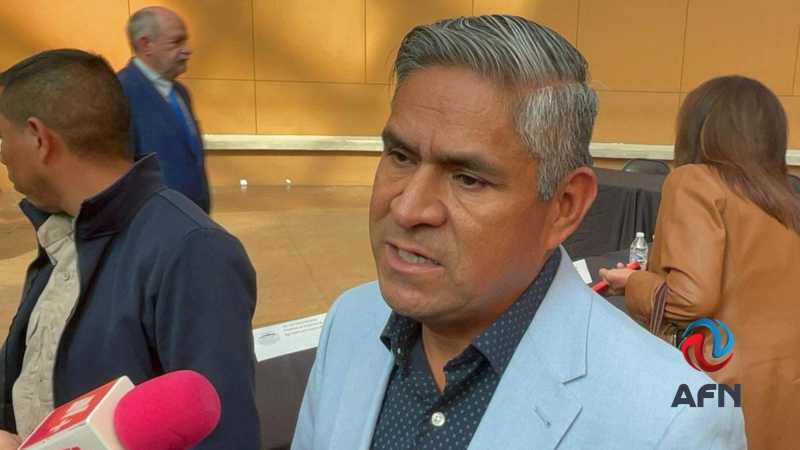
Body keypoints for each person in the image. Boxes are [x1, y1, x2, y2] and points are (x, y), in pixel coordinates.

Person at [292, 15, 745, 450]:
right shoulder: (349, 322)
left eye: (467, 179)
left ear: (565, 207)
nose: (408, 208)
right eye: (400, 157)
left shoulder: (673, 423)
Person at [0, 49, 259, 448]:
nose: (1, 153)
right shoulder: (63, 233)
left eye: (3, 137)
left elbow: (223, 436)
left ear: (39, 138)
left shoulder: (193, 251)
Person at [600, 75, 800, 450]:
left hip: (716, 385)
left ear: (698, 128)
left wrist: (633, 284)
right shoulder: (784, 198)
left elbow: (689, 299)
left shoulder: (694, 181)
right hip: (784, 387)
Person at [118, 6, 210, 212]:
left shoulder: (181, 93)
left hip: (194, 217)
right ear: (146, 44)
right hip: (153, 220)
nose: (187, 50)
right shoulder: (120, 93)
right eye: (177, 42)